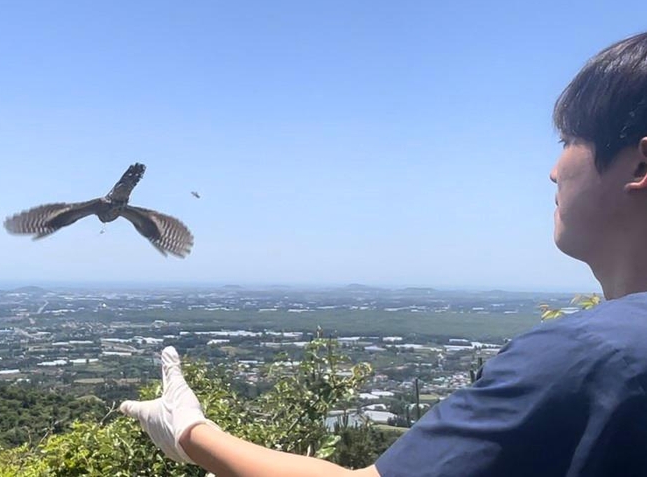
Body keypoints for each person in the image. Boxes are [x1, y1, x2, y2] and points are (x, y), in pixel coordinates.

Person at [120, 31, 647, 476]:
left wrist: (190, 432)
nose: (553, 170)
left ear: (639, 164)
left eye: (568, 138)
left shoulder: (588, 360)